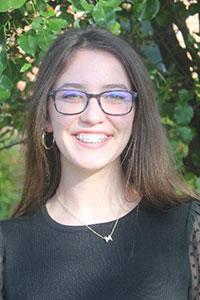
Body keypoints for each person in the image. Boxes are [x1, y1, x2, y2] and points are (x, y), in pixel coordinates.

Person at [0, 28, 199, 300]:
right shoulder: (7, 249)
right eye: (71, 95)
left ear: (136, 115)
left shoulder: (188, 229)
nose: (92, 116)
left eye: (115, 97)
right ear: (46, 117)